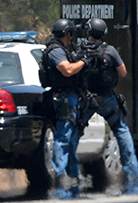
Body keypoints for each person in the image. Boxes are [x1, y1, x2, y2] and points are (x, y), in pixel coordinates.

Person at [77, 18, 138, 195]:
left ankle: (70, 185)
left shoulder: (80, 50)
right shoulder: (110, 50)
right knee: (122, 133)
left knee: (72, 137)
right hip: (107, 99)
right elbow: (123, 72)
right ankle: (134, 185)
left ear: (88, 32)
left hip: (87, 99)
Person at [42, 18, 89, 199]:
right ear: (68, 33)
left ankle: (73, 185)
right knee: (63, 140)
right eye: (71, 34)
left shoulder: (59, 49)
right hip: (64, 100)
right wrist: (83, 62)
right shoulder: (56, 52)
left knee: (70, 142)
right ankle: (60, 186)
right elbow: (67, 70)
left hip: (68, 98)